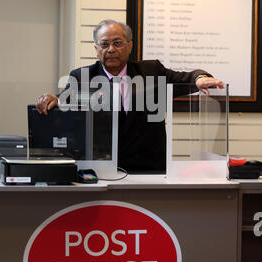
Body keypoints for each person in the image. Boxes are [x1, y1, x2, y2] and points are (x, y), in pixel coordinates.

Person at [36, 19, 224, 173]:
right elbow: (64, 99)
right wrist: (53, 99)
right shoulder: (83, 77)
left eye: (117, 43)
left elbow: (189, 77)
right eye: (104, 44)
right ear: (96, 49)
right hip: (102, 170)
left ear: (129, 46)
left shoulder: (151, 71)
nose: (111, 49)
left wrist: (200, 79)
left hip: (149, 170)